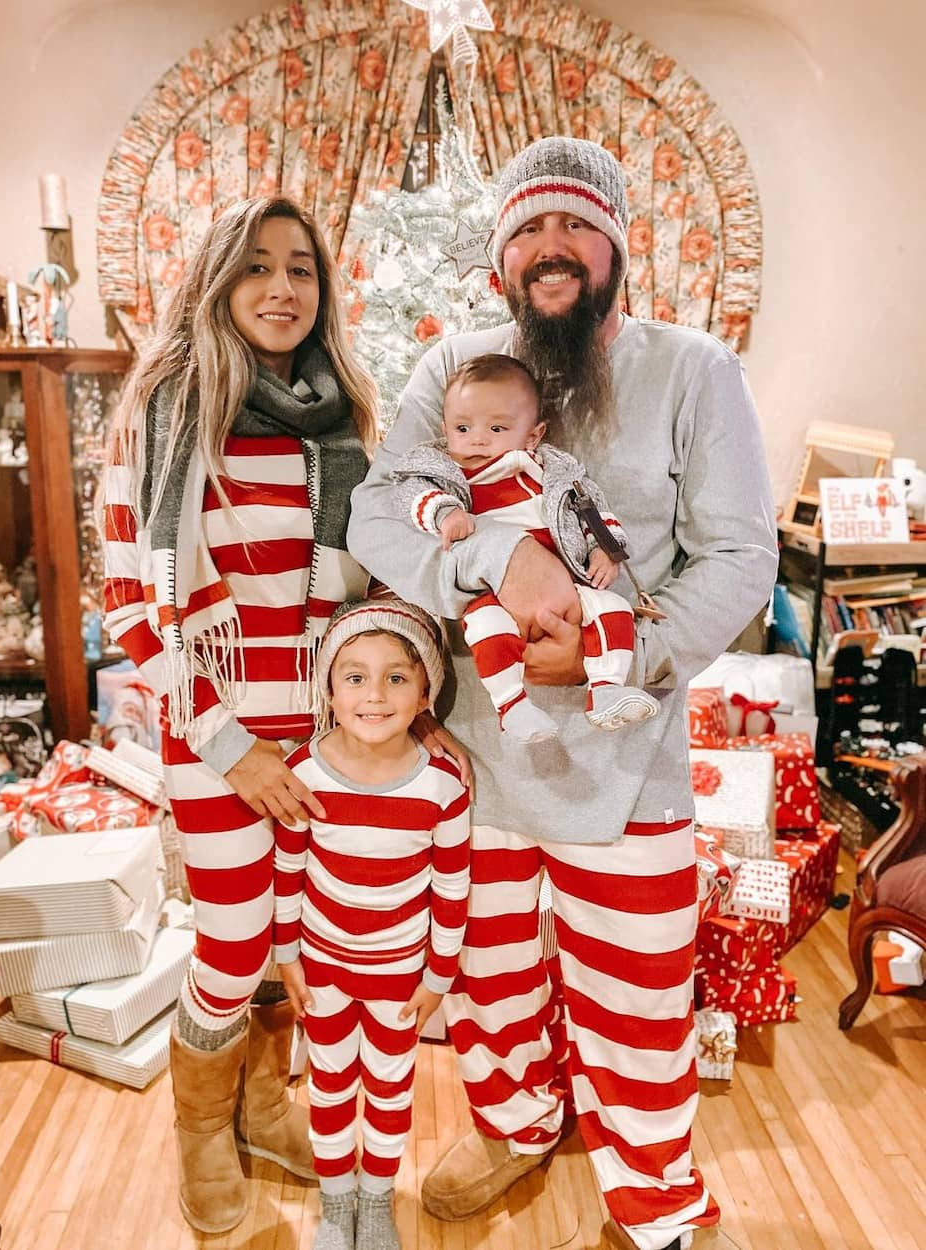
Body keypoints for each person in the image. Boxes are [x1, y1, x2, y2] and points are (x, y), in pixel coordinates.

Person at [348, 137, 778, 1250]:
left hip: (629, 763)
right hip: (484, 753)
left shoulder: (694, 370)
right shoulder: (456, 366)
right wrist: (489, 561)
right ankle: (517, 1120)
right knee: (490, 974)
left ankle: (654, 1196)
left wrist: (620, 653)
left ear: (614, 247)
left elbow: (737, 556)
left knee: (637, 998)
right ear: (499, 258)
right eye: (527, 229)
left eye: (573, 225)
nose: (551, 247)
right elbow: (382, 508)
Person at [100, 195, 379, 1235]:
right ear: (219, 280)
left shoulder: (339, 413)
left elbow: (363, 589)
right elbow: (132, 600)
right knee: (231, 941)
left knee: (297, 935)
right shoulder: (166, 408)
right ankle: (201, 1133)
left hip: (323, 731)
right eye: (257, 266)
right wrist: (230, 744)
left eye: (300, 268)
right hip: (212, 730)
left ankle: (265, 1104)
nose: (280, 288)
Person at [274, 598, 471, 1250]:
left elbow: (452, 885)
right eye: (354, 676)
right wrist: (288, 957)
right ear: (330, 689)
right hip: (324, 968)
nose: (374, 694)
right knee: (330, 1087)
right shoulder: (304, 771)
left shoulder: (442, 784)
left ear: (425, 694)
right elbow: (289, 871)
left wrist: (439, 974)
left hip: (400, 975)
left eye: (396, 677)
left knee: (389, 1090)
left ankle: (377, 1200)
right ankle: (337, 1204)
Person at [390, 352, 658, 741]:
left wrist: (606, 551)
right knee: (484, 627)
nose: (478, 439)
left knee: (612, 608)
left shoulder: (555, 473)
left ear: (533, 435)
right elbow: (411, 494)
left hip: (568, 584)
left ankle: (606, 689)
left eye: (497, 428)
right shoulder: (447, 472)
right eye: (462, 428)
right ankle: (512, 706)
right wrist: (445, 513)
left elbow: (593, 511)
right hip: (495, 593)